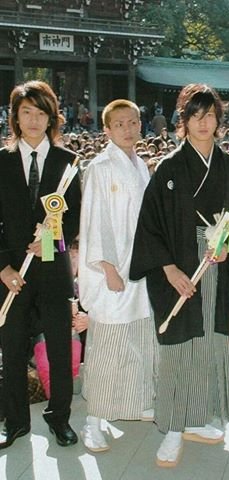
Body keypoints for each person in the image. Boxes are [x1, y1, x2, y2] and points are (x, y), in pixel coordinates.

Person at [130, 84, 229, 468]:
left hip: (216, 263)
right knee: (180, 347)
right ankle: (174, 428)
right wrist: (169, 268)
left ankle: (201, 417)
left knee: (210, 343)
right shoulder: (169, 167)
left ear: (219, 120)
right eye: (195, 116)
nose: (203, 123)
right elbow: (150, 225)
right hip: (178, 264)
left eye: (210, 115)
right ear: (184, 121)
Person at [0, 80, 81, 449]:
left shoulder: (69, 162)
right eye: (26, 112)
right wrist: (3, 267)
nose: (33, 120)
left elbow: (75, 218)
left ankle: (59, 417)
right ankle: (15, 420)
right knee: (13, 348)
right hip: (11, 275)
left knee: (59, 348)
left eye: (41, 113)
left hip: (52, 271)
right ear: (15, 117)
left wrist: (51, 239)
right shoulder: (1, 161)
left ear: (52, 118)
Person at [77, 99, 158, 452]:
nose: (127, 129)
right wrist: (107, 267)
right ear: (107, 130)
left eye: (133, 122)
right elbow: (95, 221)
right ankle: (94, 419)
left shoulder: (141, 166)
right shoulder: (100, 166)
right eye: (119, 124)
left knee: (138, 340)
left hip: (139, 268)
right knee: (108, 345)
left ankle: (133, 403)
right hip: (111, 269)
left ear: (141, 125)